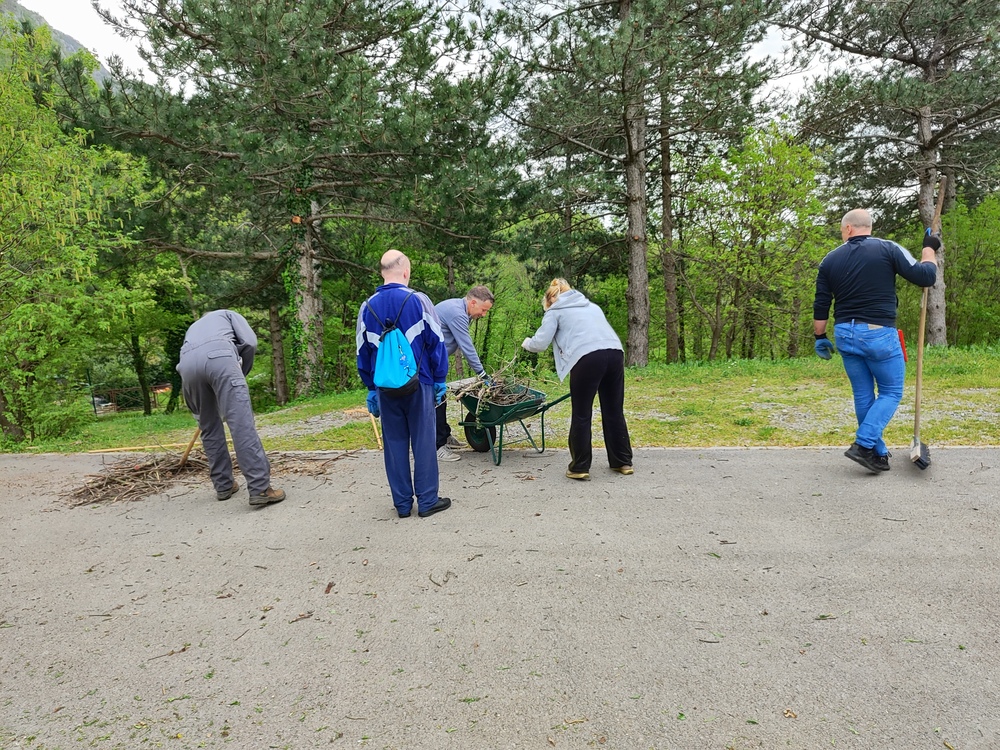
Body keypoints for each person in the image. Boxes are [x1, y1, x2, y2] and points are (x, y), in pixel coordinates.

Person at [813, 209, 938, 473]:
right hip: (878, 333)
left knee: (862, 393)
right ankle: (863, 443)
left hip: (845, 333)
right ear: (868, 227)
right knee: (891, 392)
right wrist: (929, 248)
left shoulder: (830, 259)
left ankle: (877, 453)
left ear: (848, 229)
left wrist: (819, 336)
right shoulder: (888, 249)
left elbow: (821, 303)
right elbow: (926, 276)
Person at [357, 249, 453, 518]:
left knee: (394, 443)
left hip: (384, 386)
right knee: (423, 441)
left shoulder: (367, 306)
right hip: (419, 382)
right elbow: (437, 343)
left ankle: (401, 504)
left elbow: (362, 352)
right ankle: (427, 501)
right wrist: (439, 380)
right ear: (406, 272)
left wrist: (371, 388)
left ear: (382, 273)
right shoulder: (418, 301)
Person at [522, 278, 633, 480]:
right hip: (615, 353)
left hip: (587, 357)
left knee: (582, 413)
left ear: (550, 300)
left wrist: (526, 343)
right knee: (614, 409)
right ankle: (622, 461)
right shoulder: (591, 306)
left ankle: (579, 466)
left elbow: (540, 343)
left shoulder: (555, 311)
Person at [176, 310, 285, 506]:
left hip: (186, 365)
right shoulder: (227, 314)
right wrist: (240, 374)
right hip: (220, 356)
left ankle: (223, 485)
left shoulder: (193, 327)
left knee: (208, 428)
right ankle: (260, 488)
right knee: (240, 425)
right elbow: (250, 342)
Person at [433, 285, 495, 462]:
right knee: (435, 400)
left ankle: (444, 437)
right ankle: (437, 446)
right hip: (427, 362)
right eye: (483, 310)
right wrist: (482, 375)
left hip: (437, 361)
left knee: (441, 398)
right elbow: (467, 347)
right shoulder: (457, 313)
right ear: (473, 302)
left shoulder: (462, 311)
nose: (483, 315)